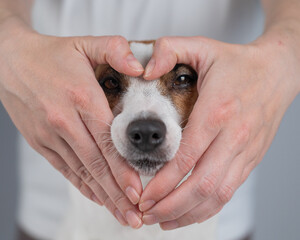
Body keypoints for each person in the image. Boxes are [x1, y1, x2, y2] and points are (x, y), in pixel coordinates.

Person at [0, 0, 299, 239]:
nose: (144, 127)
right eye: (111, 84)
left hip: (217, 216)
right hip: (54, 219)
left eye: (182, 79)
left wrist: (282, 58)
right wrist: (8, 46)